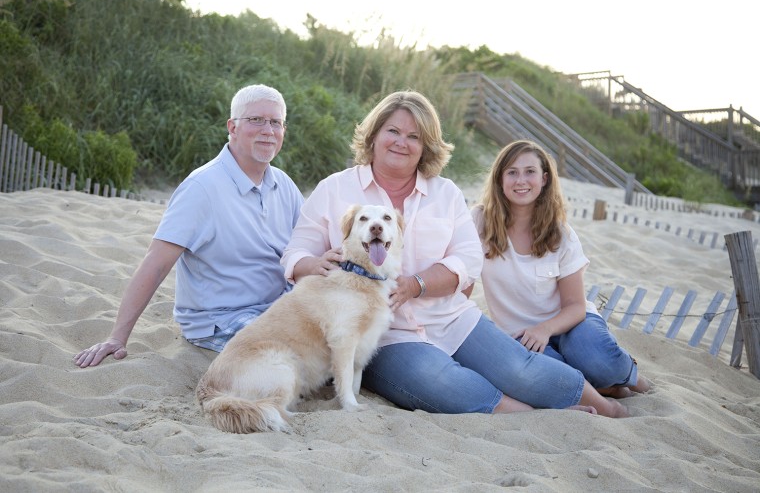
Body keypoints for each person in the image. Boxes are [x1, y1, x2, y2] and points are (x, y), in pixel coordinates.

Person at [281, 90, 628, 417]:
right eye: (393, 131)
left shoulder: (444, 193)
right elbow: (295, 253)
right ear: (373, 135)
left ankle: (606, 407)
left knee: (520, 369)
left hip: (453, 318)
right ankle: (532, 416)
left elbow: (467, 258)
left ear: (425, 147)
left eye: (414, 136)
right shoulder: (335, 189)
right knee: (443, 382)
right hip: (382, 335)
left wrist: (416, 284)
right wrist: (312, 264)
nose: (402, 142)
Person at [74, 84, 303, 367]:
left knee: (337, 339)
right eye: (256, 120)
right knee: (296, 358)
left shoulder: (285, 184)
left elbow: (306, 246)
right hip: (223, 317)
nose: (268, 130)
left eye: (275, 122)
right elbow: (155, 263)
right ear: (232, 127)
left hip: (278, 304)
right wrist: (117, 338)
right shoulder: (202, 188)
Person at [470, 140, 650, 398]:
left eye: (529, 171)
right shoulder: (480, 221)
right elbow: (461, 273)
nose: (521, 180)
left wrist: (545, 329)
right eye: (512, 172)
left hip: (571, 324)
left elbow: (575, 306)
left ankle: (631, 376)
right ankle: (605, 387)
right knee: (556, 376)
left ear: (544, 179)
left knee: (598, 360)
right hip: (520, 335)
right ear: (500, 179)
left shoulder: (561, 235)